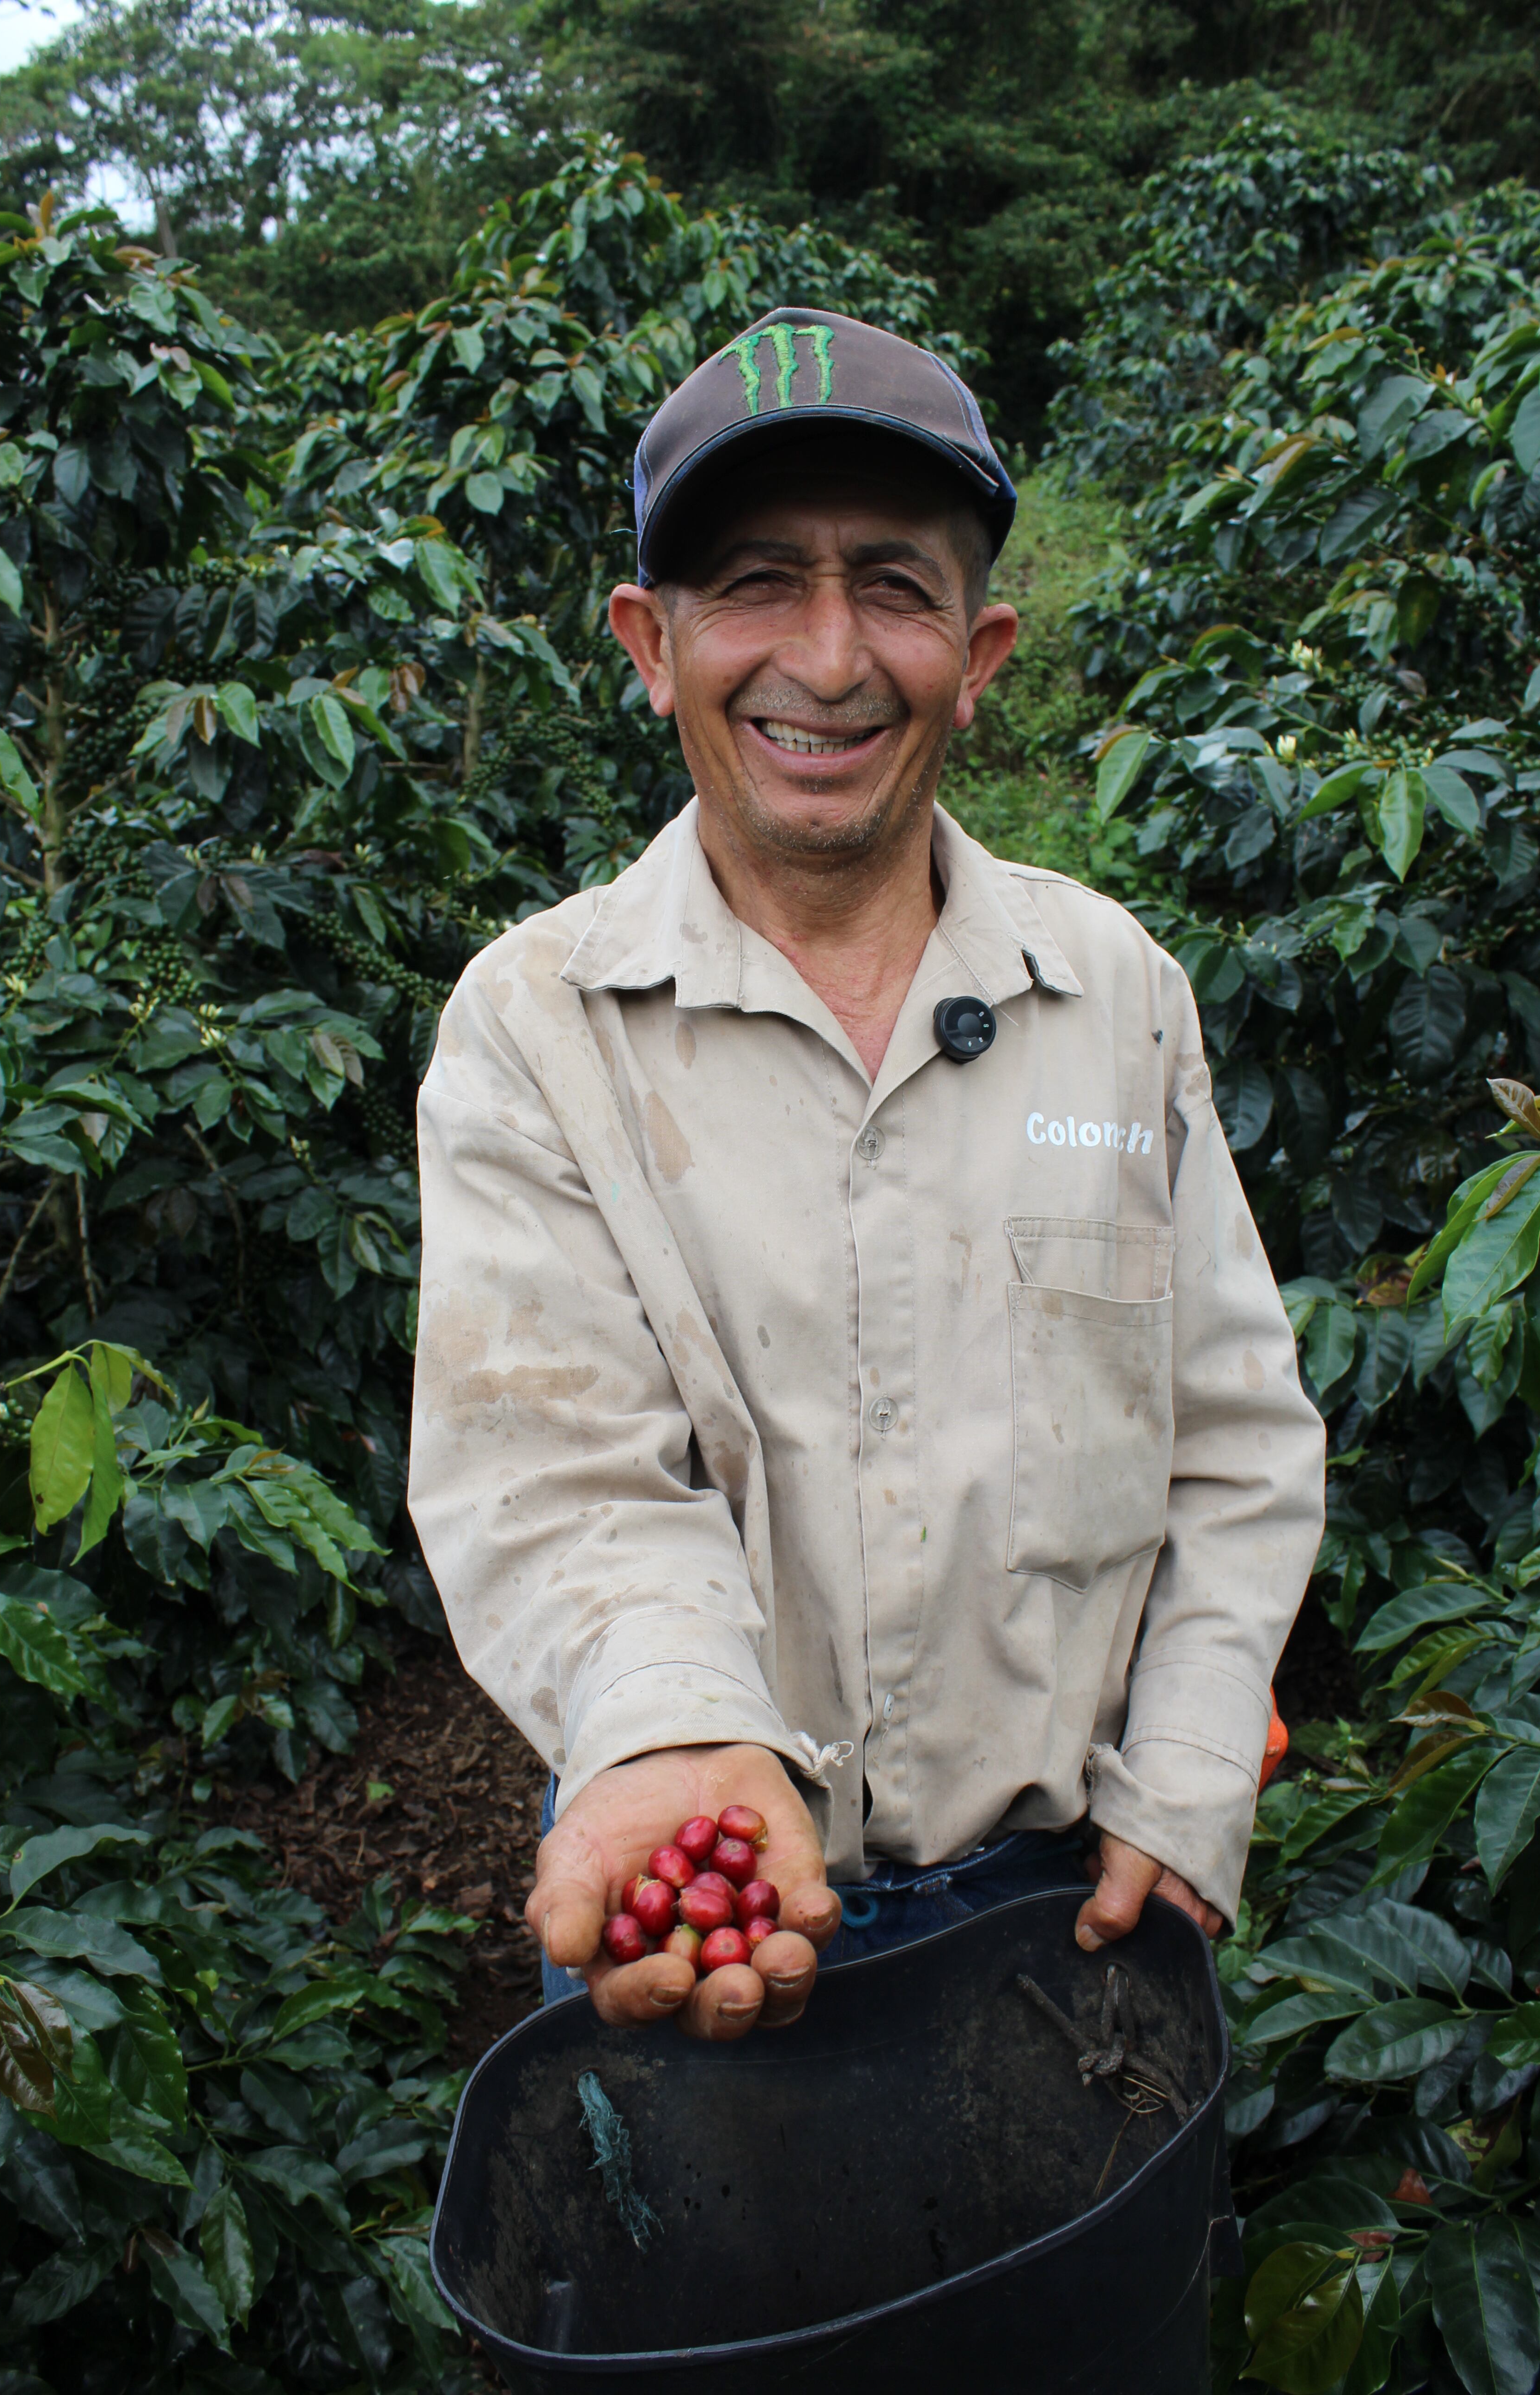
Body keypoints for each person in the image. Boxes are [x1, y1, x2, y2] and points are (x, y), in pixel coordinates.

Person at [408, 305, 1326, 2045]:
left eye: (893, 588)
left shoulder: (1113, 993)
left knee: (1081, 2328)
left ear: (978, 653)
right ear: (648, 643)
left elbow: (1238, 1430)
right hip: (707, 1883)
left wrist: (1195, 1768)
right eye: (758, 581)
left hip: (1072, 1911)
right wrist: (682, 1738)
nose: (828, 657)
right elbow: (553, 1471)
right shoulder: (542, 1025)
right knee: (708, 2314)